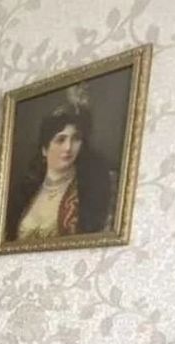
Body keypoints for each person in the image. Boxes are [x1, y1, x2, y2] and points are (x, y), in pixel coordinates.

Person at [6, 87, 117, 242]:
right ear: (45, 149)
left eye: (76, 139)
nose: (68, 147)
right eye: (60, 139)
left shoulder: (93, 187)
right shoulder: (25, 192)